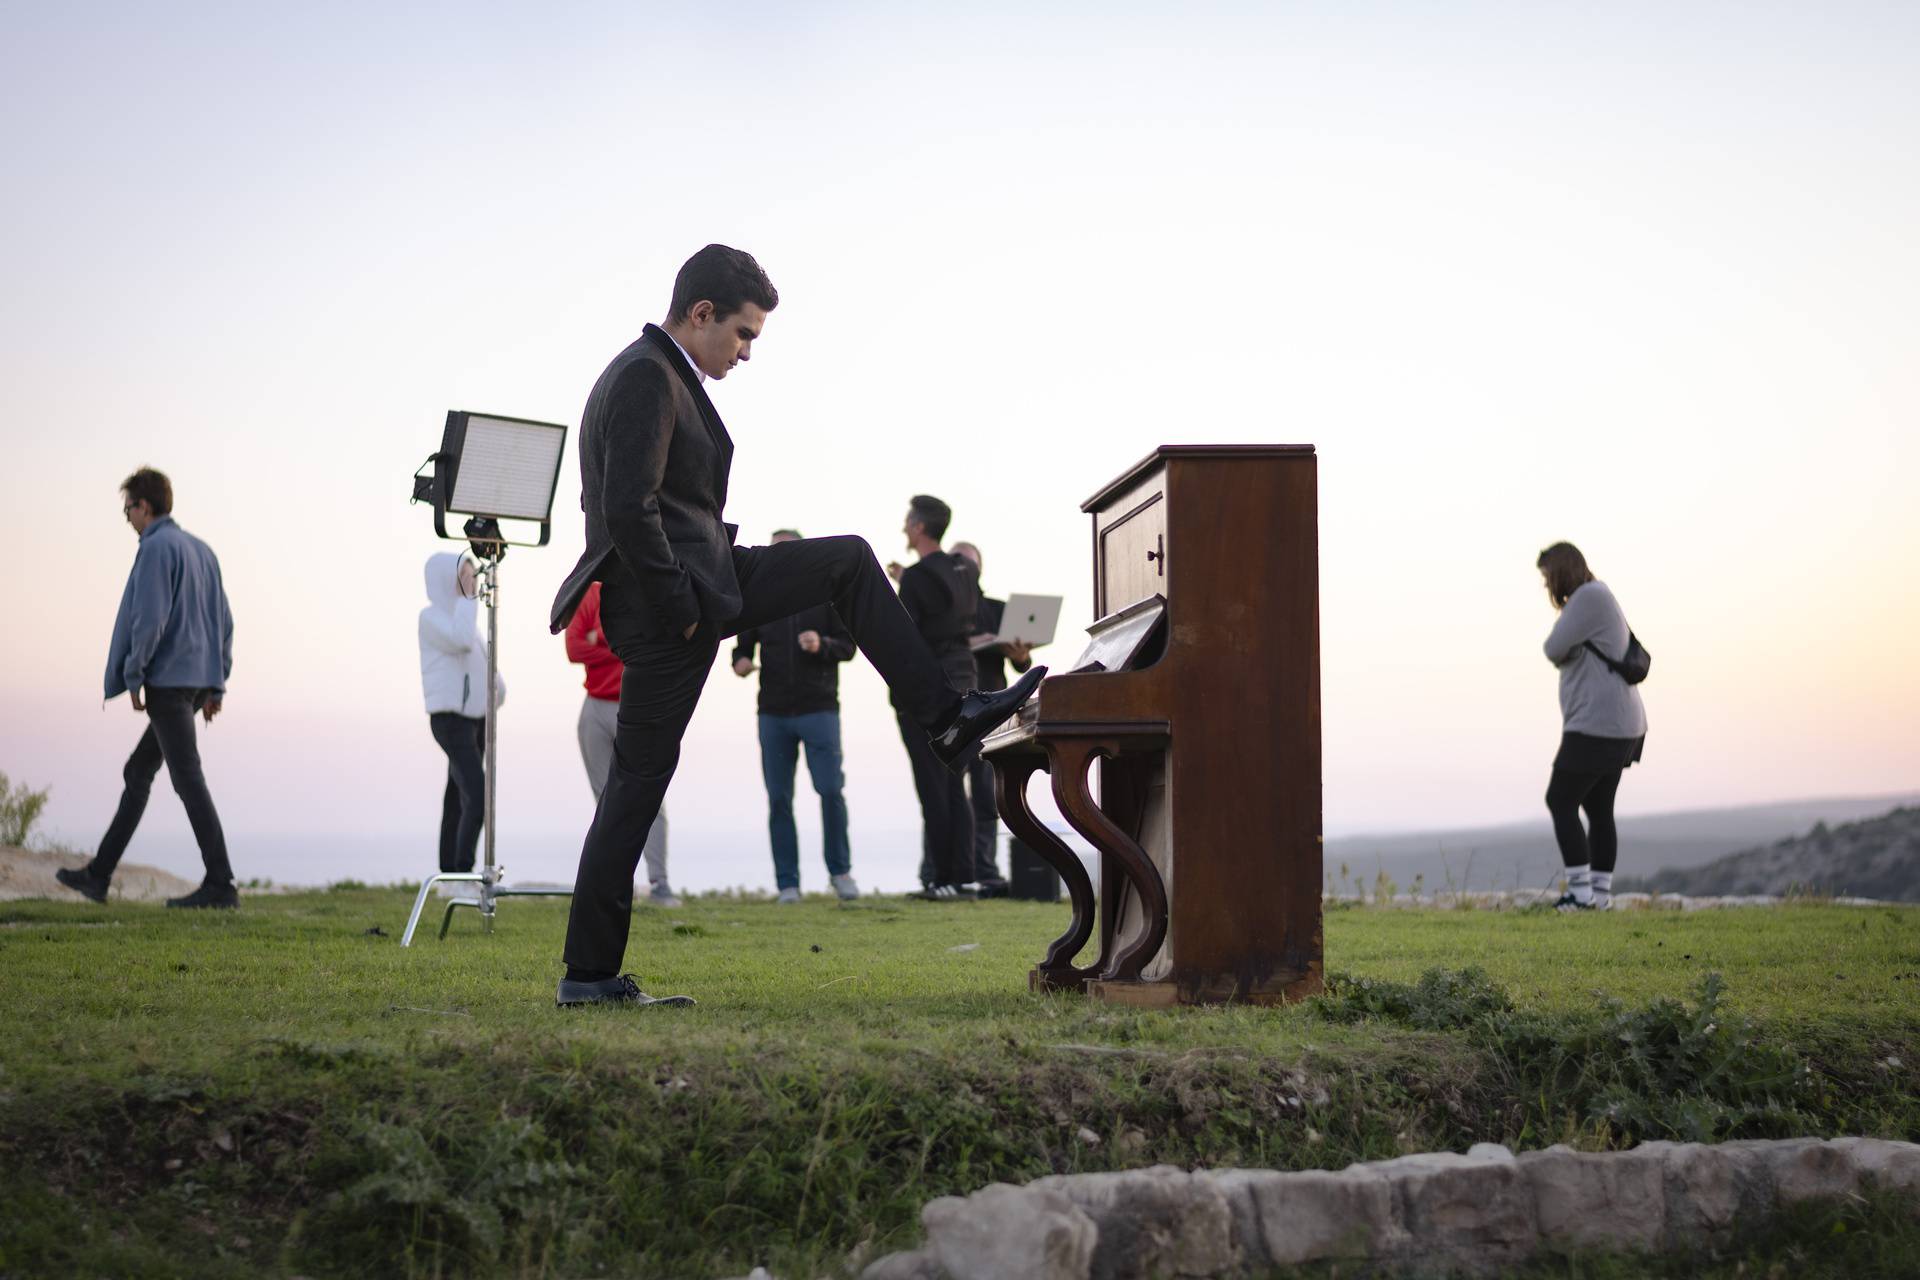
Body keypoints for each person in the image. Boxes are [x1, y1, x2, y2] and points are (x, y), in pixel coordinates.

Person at [546, 244, 1044, 1008]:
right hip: (669, 606)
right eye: (743, 335)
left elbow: (672, 511)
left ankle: (947, 717)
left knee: (848, 561)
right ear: (702, 313)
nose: (746, 354)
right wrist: (685, 612)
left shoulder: (663, 372)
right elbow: (625, 509)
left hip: (711, 577)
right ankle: (588, 976)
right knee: (638, 783)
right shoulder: (647, 374)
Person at [57, 468, 238, 909]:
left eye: (128, 511)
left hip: (169, 682)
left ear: (144, 506)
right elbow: (224, 623)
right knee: (140, 772)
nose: (128, 521)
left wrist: (134, 674)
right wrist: (216, 685)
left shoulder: (157, 548)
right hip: (195, 683)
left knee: (186, 777)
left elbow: (150, 618)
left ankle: (221, 884)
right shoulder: (202, 550)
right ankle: (98, 876)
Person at [731, 529, 860, 904]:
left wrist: (823, 646)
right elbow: (741, 647)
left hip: (819, 708)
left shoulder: (825, 595)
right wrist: (740, 662)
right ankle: (788, 884)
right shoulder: (758, 597)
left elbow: (849, 647)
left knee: (831, 790)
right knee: (778, 799)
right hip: (772, 713)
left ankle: (841, 873)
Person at [1538, 541, 1647, 912]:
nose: (1546, 586)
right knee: (1598, 807)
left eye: (1546, 577)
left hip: (1598, 725)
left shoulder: (1587, 597)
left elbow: (1553, 648)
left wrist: (1567, 647)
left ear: (1560, 572)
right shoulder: (1598, 597)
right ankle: (1599, 898)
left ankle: (1581, 896)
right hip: (1620, 723)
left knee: (1560, 799)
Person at [885, 497, 981, 898]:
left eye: (908, 521)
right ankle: (963, 874)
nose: (905, 528)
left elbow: (906, 637)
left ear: (920, 526)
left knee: (932, 784)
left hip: (928, 689)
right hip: (965, 679)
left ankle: (941, 879)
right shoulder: (965, 570)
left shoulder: (918, 577)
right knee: (955, 782)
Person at [566, 580, 680, 907]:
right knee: (605, 802)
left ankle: (659, 883)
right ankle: (612, 885)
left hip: (641, 708)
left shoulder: (655, 587)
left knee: (650, 799)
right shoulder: (593, 592)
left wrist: (598, 638)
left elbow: (658, 648)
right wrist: (619, 645)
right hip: (595, 708)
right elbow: (574, 648)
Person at [951, 540, 1033, 892]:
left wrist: (1020, 655)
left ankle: (985, 871)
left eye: (971, 564)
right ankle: (946, 872)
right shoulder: (943, 609)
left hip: (991, 708)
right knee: (946, 793)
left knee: (986, 794)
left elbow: (1021, 664)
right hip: (951, 709)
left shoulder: (997, 609)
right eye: (959, 563)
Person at [418, 551, 505, 875]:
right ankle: (463, 872)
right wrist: (470, 597)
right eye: (464, 579)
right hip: (450, 719)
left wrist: (499, 695)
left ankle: (450, 871)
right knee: (477, 796)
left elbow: (485, 666)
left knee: (457, 797)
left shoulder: (464, 621)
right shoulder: (430, 619)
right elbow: (462, 641)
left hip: (475, 720)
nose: (472, 585)